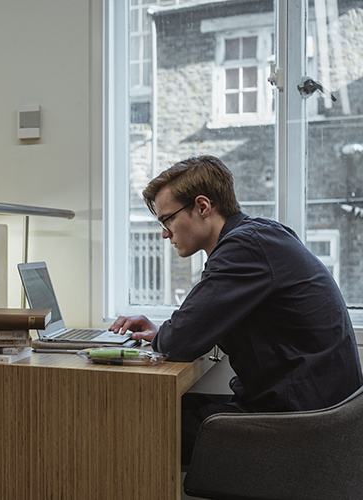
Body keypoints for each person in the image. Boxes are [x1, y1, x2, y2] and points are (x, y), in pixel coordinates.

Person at [109, 155, 363, 464]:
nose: (165, 233)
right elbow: (192, 327)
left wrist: (168, 336)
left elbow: (178, 344)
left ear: (203, 206)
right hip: (320, 411)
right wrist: (163, 332)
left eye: (167, 219)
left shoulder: (243, 249)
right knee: (163, 408)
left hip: (303, 423)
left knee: (139, 425)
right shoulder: (262, 235)